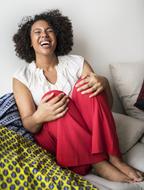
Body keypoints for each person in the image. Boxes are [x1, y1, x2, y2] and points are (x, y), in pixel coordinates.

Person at [12, 9, 143, 183]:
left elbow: (104, 107)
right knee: (54, 96)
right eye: (37, 32)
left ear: (57, 36)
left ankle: (115, 158)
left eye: (49, 30)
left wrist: (104, 83)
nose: (44, 34)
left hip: (88, 132)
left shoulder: (77, 62)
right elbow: (30, 125)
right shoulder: (22, 77)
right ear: (29, 41)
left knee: (87, 85)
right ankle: (99, 164)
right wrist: (40, 115)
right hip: (57, 141)